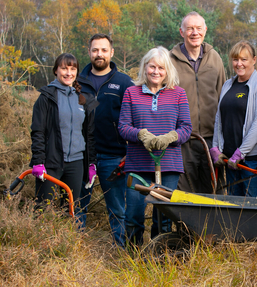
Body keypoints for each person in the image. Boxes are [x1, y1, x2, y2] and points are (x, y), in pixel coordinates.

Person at [119, 46, 192, 245]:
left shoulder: (178, 94)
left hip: (168, 164)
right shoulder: (131, 93)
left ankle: (159, 255)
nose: (156, 72)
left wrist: (171, 137)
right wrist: (141, 134)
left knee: (164, 217)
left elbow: (186, 128)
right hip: (138, 165)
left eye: (161, 68)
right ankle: (133, 256)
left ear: (167, 70)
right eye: (152, 67)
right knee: (133, 214)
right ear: (144, 67)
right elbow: (123, 127)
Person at [77, 34, 134, 248]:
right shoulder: (78, 81)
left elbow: (134, 118)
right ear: (89, 52)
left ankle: (120, 251)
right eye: (95, 50)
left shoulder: (124, 82)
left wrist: (130, 152)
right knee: (78, 205)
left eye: (103, 50)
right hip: (82, 156)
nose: (99, 54)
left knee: (117, 208)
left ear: (111, 52)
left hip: (114, 155)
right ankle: (75, 251)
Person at [30, 53, 97, 214]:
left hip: (76, 163)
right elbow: (37, 131)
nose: (68, 73)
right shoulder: (46, 97)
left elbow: (90, 134)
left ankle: (67, 239)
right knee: (42, 210)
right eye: (64, 68)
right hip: (51, 162)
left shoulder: (83, 99)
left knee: (69, 211)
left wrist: (91, 163)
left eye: (72, 69)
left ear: (77, 72)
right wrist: (38, 161)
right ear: (56, 71)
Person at [169, 11, 226, 194]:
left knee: (213, 188)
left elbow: (222, 93)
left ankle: (214, 223)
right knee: (186, 190)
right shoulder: (170, 60)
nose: (195, 33)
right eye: (190, 29)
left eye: (199, 28)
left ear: (205, 30)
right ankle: (186, 224)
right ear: (181, 32)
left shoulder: (214, 57)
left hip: (212, 139)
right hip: (183, 139)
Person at [210, 41, 257, 197]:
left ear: (254, 60)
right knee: (234, 202)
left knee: (252, 203)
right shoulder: (227, 85)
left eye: (244, 59)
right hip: (230, 159)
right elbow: (219, 118)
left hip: (251, 160)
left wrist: (241, 153)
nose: (239, 64)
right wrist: (216, 147)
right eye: (235, 59)